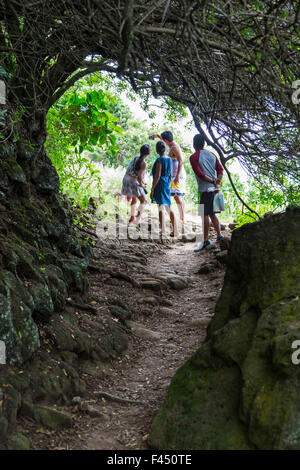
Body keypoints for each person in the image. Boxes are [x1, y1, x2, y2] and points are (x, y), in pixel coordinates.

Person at [189, 133, 224, 251]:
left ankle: (205, 241)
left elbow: (199, 173)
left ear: (194, 144)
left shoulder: (194, 157)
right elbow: (220, 169)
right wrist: (217, 181)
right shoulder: (212, 154)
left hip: (204, 190)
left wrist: (212, 180)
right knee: (212, 214)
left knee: (204, 215)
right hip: (214, 189)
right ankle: (219, 236)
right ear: (203, 143)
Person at [152, 131, 186, 228]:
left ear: (167, 140)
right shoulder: (170, 144)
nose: (164, 142)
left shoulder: (175, 147)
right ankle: (177, 219)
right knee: (172, 196)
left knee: (177, 196)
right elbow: (163, 142)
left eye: (164, 140)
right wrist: (158, 136)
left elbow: (180, 161)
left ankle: (182, 219)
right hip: (171, 174)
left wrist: (177, 177)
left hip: (177, 174)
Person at [150, 141, 178, 237]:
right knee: (168, 207)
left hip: (160, 184)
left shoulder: (159, 160)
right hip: (166, 184)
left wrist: (152, 189)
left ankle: (163, 231)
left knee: (161, 207)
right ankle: (175, 230)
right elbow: (170, 175)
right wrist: (168, 185)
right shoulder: (170, 160)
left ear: (157, 150)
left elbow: (157, 176)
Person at [121, 144, 150, 225]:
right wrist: (142, 185)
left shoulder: (134, 158)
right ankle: (137, 220)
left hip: (126, 180)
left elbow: (134, 173)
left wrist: (141, 183)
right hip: (133, 182)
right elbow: (139, 177)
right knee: (144, 201)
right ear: (148, 154)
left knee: (134, 199)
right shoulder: (144, 163)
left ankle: (132, 217)